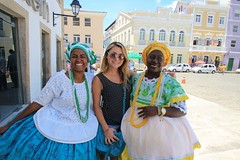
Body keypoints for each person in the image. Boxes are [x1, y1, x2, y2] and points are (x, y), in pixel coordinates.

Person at [0, 42, 99, 160]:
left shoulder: (92, 79)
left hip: (83, 127)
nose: (79, 59)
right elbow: (39, 102)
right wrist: (9, 124)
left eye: (83, 56)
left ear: (88, 59)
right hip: (54, 125)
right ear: (69, 59)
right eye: (74, 56)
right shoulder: (59, 79)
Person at [121, 42, 201, 160]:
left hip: (159, 135)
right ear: (146, 58)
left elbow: (182, 110)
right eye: (152, 57)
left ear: (164, 62)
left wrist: (158, 110)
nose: (155, 61)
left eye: (160, 58)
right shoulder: (136, 78)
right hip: (135, 132)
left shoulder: (170, 83)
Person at [92, 42, 134, 160]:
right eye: (113, 55)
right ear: (107, 56)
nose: (117, 58)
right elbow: (96, 106)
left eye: (121, 55)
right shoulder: (99, 79)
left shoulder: (128, 74)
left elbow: (146, 79)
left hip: (126, 126)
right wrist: (106, 129)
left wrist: (165, 77)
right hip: (110, 126)